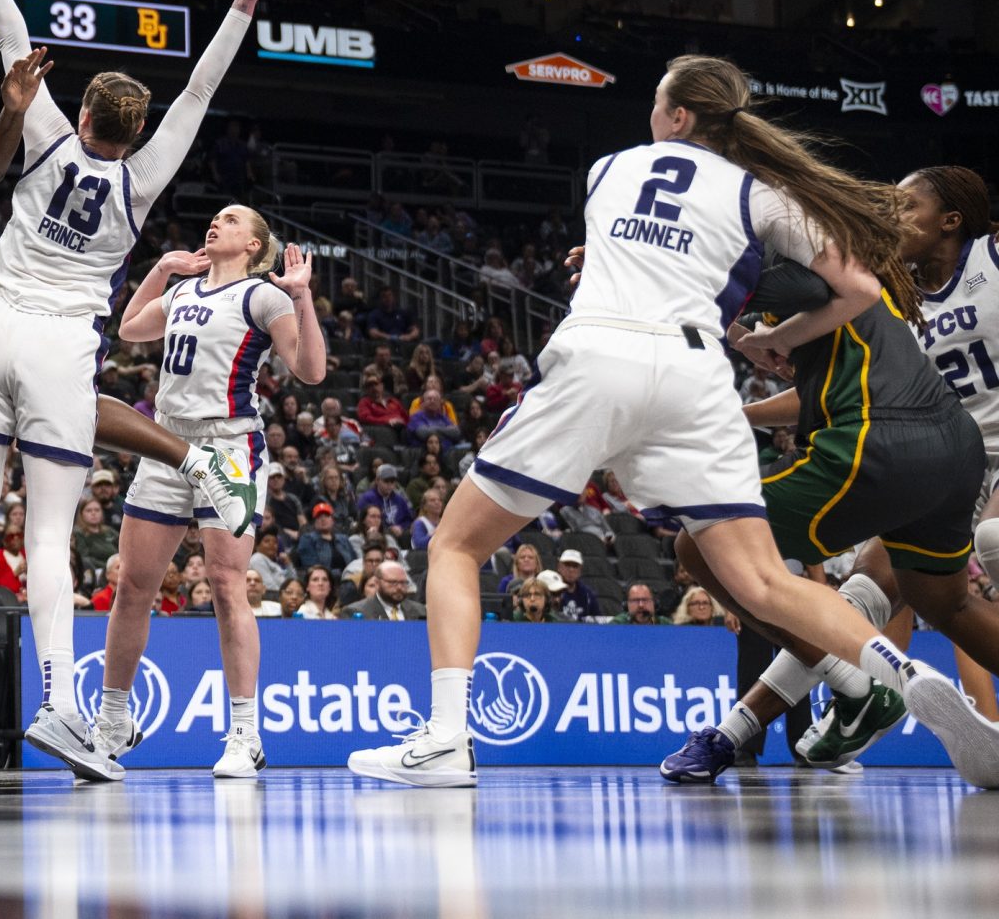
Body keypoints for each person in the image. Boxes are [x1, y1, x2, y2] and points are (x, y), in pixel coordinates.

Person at [347, 54, 999, 790]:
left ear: (678, 116)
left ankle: (443, 739)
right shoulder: (760, 194)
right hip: (699, 378)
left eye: (657, 101)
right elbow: (852, 284)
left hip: (606, 353)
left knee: (458, 545)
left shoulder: (609, 168)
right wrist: (778, 339)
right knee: (761, 579)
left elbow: (654, 245)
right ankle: (893, 670)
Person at [0, 0, 263, 780]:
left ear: (82, 114)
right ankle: (59, 709)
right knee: (45, 540)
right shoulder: (145, 176)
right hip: (60, 346)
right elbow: (201, 90)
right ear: (132, 133)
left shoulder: (49, 131)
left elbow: (13, 41)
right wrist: (241, 5)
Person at [657, 239, 999, 782]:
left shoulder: (812, 264)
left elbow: (728, 274)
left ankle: (855, 690)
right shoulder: (881, 296)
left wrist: (646, 258)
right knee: (917, 601)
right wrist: (749, 385)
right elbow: (812, 389)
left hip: (889, 444)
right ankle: (739, 729)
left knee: (699, 542)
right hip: (954, 451)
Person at [87, 203, 323, 778]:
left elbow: (310, 370)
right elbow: (130, 327)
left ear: (253, 246)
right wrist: (161, 270)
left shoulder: (263, 296)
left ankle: (245, 733)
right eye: (214, 216)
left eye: (232, 220)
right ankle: (114, 718)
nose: (216, 222)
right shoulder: (185, 290)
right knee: (134, 585)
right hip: (166, 443)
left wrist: (301, 296)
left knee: (224, 584)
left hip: (230, 446)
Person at [902, 166, 999, 712]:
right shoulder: (893, 293)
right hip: (953, 459)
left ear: (951, 221)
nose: (893, 215)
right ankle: (856, 707)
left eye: (907, 204)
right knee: (880, 578)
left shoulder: (991, 255)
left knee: (994, 538)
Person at [350, 560, 426, 621]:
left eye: (403, 583)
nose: (399, 587)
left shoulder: (420, 611)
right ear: (377, 583)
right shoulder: (357, 612)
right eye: (393, 582)